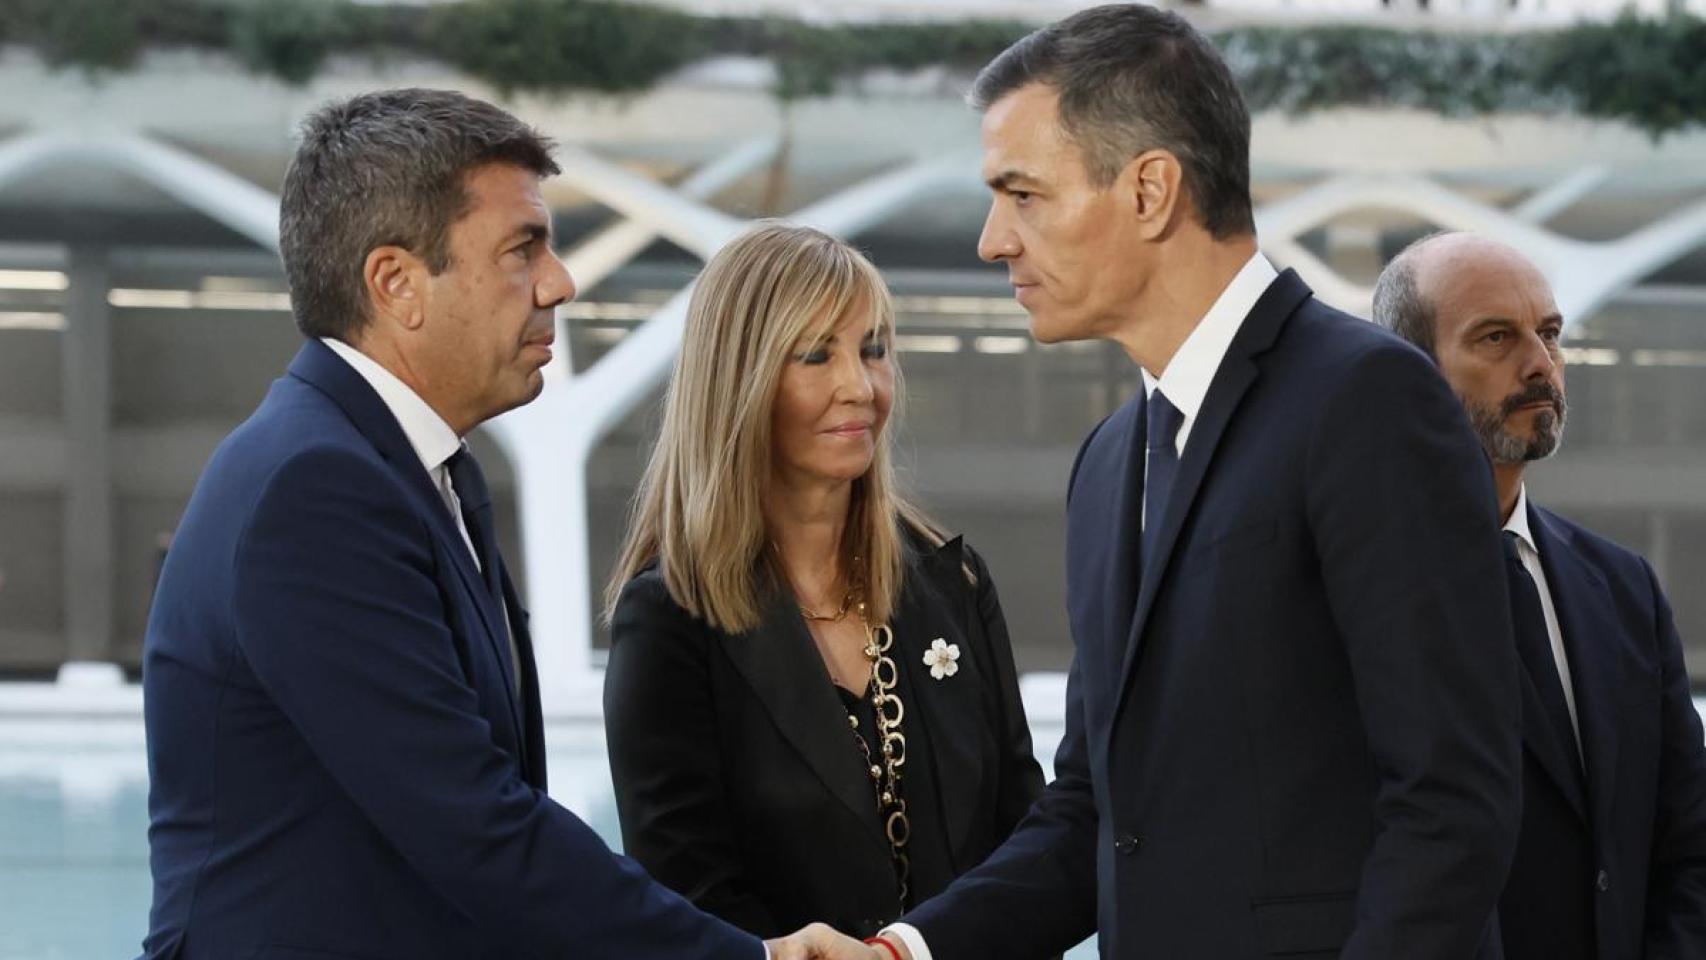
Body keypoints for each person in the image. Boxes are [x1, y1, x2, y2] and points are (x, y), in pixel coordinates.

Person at [140, 88, 863, 960]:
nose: (559, 282)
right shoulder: (316, 488)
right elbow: (472, 822)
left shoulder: (417, 471)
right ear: (397, 283)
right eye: (524, 249)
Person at [864, 6, 1523, 959]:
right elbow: (1098, 811)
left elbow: (1450, 806)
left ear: (1150, 191)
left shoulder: (1370, 402)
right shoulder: (1104, 465)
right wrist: (904, 951)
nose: (992, 239)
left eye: (1022, 195)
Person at [603, 222, 1049, 949]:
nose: (859, 385)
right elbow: (691, 897)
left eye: (873, 350)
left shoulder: (953, 580)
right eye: (815, 355)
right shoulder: (669, 617)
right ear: (738, 382)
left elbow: (1025, 848)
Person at [1373, 232, 1706, 960]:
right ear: (1408, 373)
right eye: (1496, 338)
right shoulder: (1343, 587)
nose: (1540, 365)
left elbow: (1689, 846)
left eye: (1549, 334)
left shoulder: (1623, 589)